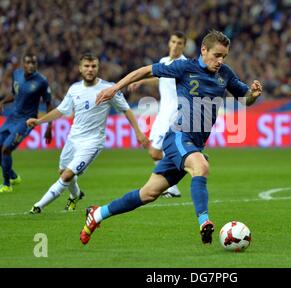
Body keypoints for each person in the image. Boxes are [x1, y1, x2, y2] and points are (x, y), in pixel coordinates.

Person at [79, 30, 263, 245]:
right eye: (217, 55)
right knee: (201, 167)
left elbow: (244, 99)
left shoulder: (226, 74)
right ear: (204, 50)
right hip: (178, 136)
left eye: (224, 56)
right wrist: (115, 88)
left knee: (147, 194)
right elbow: (147, 70)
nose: (220, 61)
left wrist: (253, 95)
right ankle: (204, 222)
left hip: (194, 143)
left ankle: (98, 214)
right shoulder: (185, 67)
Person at [26, 54, 149, 214]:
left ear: (98, 68)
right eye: (87, 66)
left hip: (92, 142)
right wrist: (38, 121)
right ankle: (76, 195)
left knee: (67, 175)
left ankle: (38, 206)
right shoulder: (74, 89)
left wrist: (138, 132)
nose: (90, 69)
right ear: (80, 68)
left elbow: (126, 109)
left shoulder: (109, 88)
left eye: (93, 66)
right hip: (73, 139)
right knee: (63, 172)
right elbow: (60, 111)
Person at [128, 31, 187, 198]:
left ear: (183, 46)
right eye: (173, 41)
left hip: (175, 113)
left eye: (179, 43)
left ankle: (171, 185)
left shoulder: (184, 64)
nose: (175, 45)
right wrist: (141, 81)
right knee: (154, 152)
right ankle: (173, 183)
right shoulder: (163, 62)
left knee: (158, 150)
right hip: (163, 112)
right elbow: (160, 78)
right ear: (169, 42)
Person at [0, 52, 53, 193]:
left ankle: (7, 185)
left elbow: (49, 104)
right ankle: (13, 176)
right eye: (28, 63)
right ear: (23, 64)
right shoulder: (17, 74)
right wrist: (2, 102)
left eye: (34, 63)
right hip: (12, 117)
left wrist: (49, 126)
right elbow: (15, 93)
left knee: (6, 149)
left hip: (27, 121)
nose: (31, 65)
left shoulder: (42, 81)